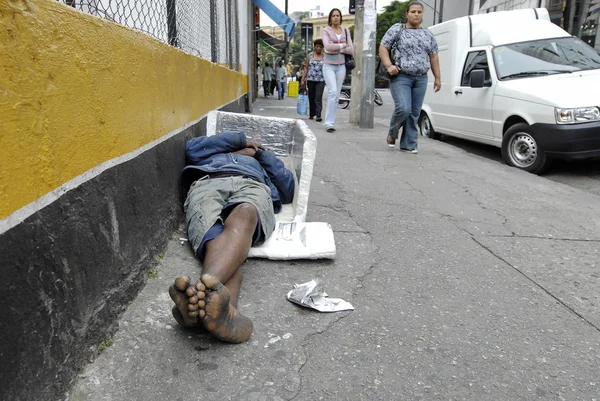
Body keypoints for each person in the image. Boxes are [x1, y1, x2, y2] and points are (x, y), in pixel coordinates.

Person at [170, 131, 295, 343]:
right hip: (208, 182)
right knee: (225, 243)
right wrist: (241, 141)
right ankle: (225, 312)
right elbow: (192, 147)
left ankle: (197, 304)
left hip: (252, 184)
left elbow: (287, 188)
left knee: (246, 213)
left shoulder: (260, 160)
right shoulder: (211, 153)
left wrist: (260, 153)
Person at [379, 1, 441, 154]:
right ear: (407, 13)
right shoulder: (397, 29)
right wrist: (389, 66)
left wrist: (437, 78)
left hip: (421, 78)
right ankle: (393, 133)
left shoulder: (428, 34)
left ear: (422, 14)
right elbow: (383, 47)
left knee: (414, 113)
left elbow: (434, 57)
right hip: (401, 76)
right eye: (413, 11)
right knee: (404, 108)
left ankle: (409, 144)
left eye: (419, 12)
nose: (416, 14)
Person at [321, 8, 354, 133]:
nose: (336, 17)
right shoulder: (326, 30)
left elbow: (351, 49)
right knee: (333, 92)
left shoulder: (345, 31)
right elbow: (327, 47)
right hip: (328, 65)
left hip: (341, 66)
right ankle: (328, 123)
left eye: (338, 15)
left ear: (340, 18)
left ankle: (331, 122)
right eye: (333, 16)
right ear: (330, 18)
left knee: (336, 95)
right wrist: (342, 46)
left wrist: (336, 48)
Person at [301, 39, 326, 122]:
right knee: (311, 97)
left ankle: (318, 115)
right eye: (317, 46)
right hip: (311, 79)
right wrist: (303, 79)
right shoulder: (310, 55)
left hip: (321, 80)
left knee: (318, 98)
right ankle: (312, 114)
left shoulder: (325, 56)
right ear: (314, 47)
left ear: (323, 47)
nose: (318, 48)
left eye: (320, 47)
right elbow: (306, 68)